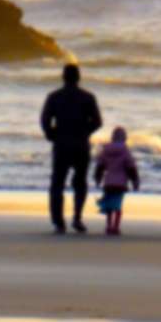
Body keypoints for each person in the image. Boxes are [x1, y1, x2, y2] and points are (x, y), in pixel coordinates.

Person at [40, 62, 101, 234]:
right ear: (79, 78)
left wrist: (51, 134)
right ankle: (77, 218)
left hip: (61, 145)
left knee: (57, 183)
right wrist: (85, 132)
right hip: (81, 145)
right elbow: (98, 122)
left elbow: (45, 120)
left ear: (63, 77)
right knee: (80, 182)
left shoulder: (54, 97)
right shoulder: (88, 97)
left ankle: (59, 222)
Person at [95, 127, 142, 234]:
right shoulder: (125, 150)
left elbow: (100, 166)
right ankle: (115, 227)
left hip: (108, 183)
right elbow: (131, 167)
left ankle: (108, 226)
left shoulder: (106, 150)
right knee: (118, 206)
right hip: (120, 184)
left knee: (109, 206)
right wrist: (135, 181)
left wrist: (97, 178)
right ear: (124, 138)